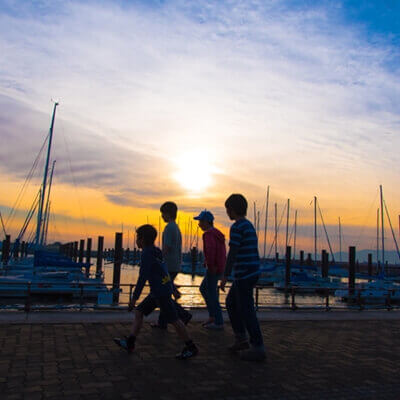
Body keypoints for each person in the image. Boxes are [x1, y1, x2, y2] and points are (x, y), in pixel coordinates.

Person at [113, 224, 198, 359]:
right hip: (157, 292)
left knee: (175, 320)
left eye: (137, 238)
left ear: (142, 239)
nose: (136, 241)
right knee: (139, 312)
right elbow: (163, 271)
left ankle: (191, 347)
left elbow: (142, 278)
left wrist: (134, 298)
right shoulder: (157, 251)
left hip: (160, 293)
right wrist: (173, 288)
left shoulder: (146, 254)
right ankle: (130, 342)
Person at [220, 194, 266, 361]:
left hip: (244, 275)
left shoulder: (237, 227)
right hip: (250, 272)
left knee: (247, 310)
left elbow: (232, 252)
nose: (227, 213)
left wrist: (225, 275)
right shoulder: (248, 225)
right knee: (231, 303)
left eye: (227, 210)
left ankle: (258, 346)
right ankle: (242, 339)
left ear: (232, 209)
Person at [151, 201, 192, 329]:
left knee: (162, 295)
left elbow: (167, 248)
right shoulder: (176, 227)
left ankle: (183, 315)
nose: (162, 216)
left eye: (163, 213)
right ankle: (162, 323)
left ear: (168, 213)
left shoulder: (169, 228)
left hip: (168, 266)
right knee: (165, 294)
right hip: (174, 265)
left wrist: (158, 261)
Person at [194, 210, 226, 330]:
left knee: (212, 294)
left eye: (201, 221)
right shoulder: (217, 233)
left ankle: (218, 321)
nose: (199, 224)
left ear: (207, 222)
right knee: (204, 289)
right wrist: (207, 262)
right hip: (219, 267)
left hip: (213, 269)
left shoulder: (208, 235)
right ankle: (213, 316)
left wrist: (211, 265)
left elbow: (211, 250)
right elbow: (219, 251)